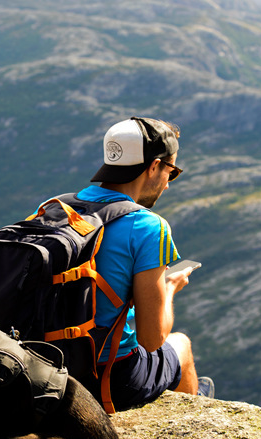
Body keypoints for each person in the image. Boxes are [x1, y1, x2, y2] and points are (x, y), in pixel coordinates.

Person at [76, 116, 214, 411]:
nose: (167, 184)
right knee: (182, 346)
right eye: (171, 172)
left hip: (49, 366)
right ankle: (191, 424)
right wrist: (170, 286)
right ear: (154, 166)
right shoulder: (148, 226)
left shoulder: (56, 208)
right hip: (107, 379)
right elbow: (152, 339)